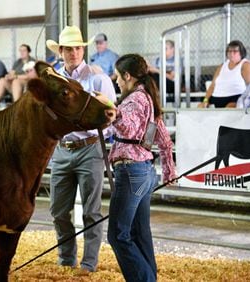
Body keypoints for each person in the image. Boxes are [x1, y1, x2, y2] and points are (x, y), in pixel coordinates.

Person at [45, 25, 116, 273]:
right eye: (69, 48)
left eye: (77, 48)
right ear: (61, 51)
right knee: (58, 210)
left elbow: (110, 117)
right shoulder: (54, 81)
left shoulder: (99, 79)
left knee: (91, 210)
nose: (74, 52)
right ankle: (66, 259)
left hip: (89, 148)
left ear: (82, 50)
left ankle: (88, 262)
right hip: (62, 149)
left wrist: (97, 135)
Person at [107, 54, 176, 282]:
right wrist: (169, 171)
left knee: (118, 235)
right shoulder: (149, 98)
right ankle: (149, 277)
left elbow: (128, 126)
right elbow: (164, 140)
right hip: (145, 172)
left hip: (131, 172)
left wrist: (114, 114)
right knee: (139, 232)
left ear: (127, 76)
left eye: (118, 76)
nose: (116, 81)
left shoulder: (134, 100)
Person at [199, 40, 250, 108]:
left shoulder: (245, 65)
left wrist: (245, 101)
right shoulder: (222, 66)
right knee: (200, 106)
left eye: (235, 51)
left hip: (235, 98)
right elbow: (212, 86)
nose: (232, 53)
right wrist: (205, 100)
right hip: (216, 98)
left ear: (241, 53)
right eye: (229, 51)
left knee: (229, 108)